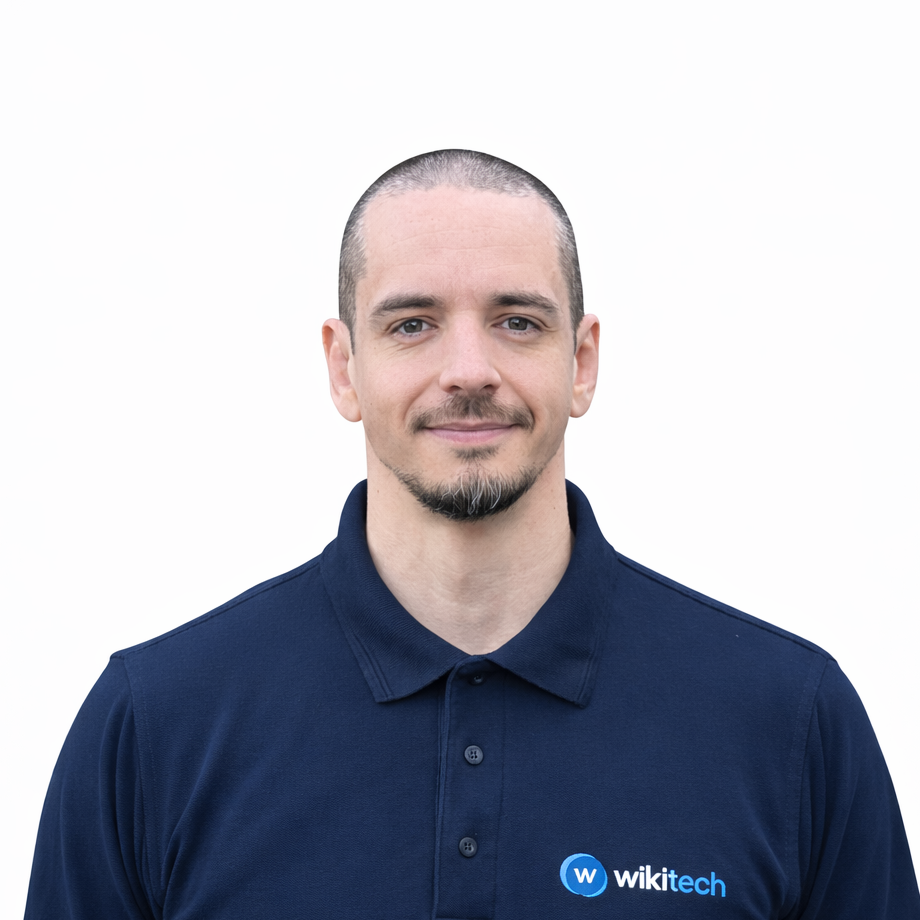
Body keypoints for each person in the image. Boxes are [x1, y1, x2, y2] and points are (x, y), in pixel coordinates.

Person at [25, 149, 919, 919]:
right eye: (412, 324)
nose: (467, 371)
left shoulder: (790, 722)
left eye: (516, 322)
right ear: (344, 367)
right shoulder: (155, 726)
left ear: (582, 362)